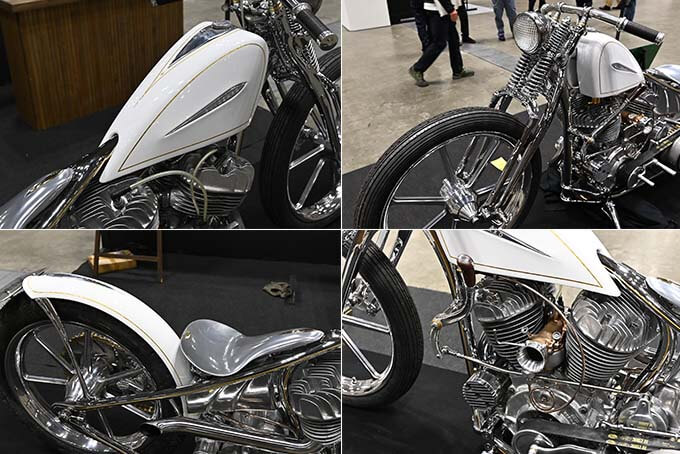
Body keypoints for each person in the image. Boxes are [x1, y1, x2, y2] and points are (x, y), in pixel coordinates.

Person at [409, 0, 475, 87]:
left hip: (443, 9)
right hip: (438, 10)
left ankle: (458, 70)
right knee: (439, 43)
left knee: (454, 40)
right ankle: (417, 68)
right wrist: (450, 10)